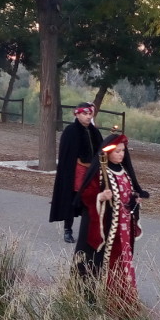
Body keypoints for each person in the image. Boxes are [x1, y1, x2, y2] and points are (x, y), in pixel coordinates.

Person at [73, 133, 144, 318]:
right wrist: (100, 197)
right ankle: (98, 298)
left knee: (123, 261)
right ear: (109, 152)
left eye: (123, 151)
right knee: (103, 262)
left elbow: (128, 194)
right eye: (117, 151)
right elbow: (86, 194)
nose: (121, 154)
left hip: (123, 227)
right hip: (105, 228)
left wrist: (134, 200)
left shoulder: (124, 171)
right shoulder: (100, 171)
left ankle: (122, 299)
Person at [50, 102, 104, 243]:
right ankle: (68, 229)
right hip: (76, 172)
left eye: (89, 114)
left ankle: (88, 231)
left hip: (92, 172)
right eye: (84, 114)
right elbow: (66, 155)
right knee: (72, 200)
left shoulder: (95, 132)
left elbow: (101, 151)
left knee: (91, 200)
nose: (87, 117)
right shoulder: (70, 131)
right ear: (77, 114)